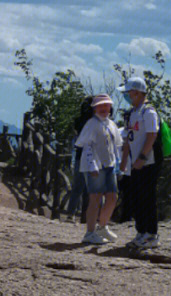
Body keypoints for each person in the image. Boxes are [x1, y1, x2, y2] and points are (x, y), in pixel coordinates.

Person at [119, 75, 161, 251]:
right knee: (136, 197)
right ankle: (141, 231)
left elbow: (152, 135)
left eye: (129, 93)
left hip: (148, 162)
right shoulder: (132, 113)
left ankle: (151, 234)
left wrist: (142, 157)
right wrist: (124, 161)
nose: (127, 96)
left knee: (147, 197)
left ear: (137, 93)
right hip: (135, 162)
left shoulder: (148, 112)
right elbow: (129, 138)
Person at [77, 95, 123, 246]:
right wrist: (92, 165)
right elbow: (86, 145)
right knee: (95, 198)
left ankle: (102, 227)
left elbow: (116, 145)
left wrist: (119, 164)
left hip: (108, 165)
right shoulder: (92, 124)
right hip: (96, 166)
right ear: (95, 108)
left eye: (106, 106)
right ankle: (90, 232)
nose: (104, 109)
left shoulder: (111, 124)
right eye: (100, 106)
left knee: (112, 197)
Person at [65, 95, 95, 219]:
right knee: (90, 189)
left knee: (77, 187)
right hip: (93, 156)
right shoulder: (95, 122)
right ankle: (85, 217)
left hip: (80, 155)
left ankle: (70, 214)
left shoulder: (79, 121)